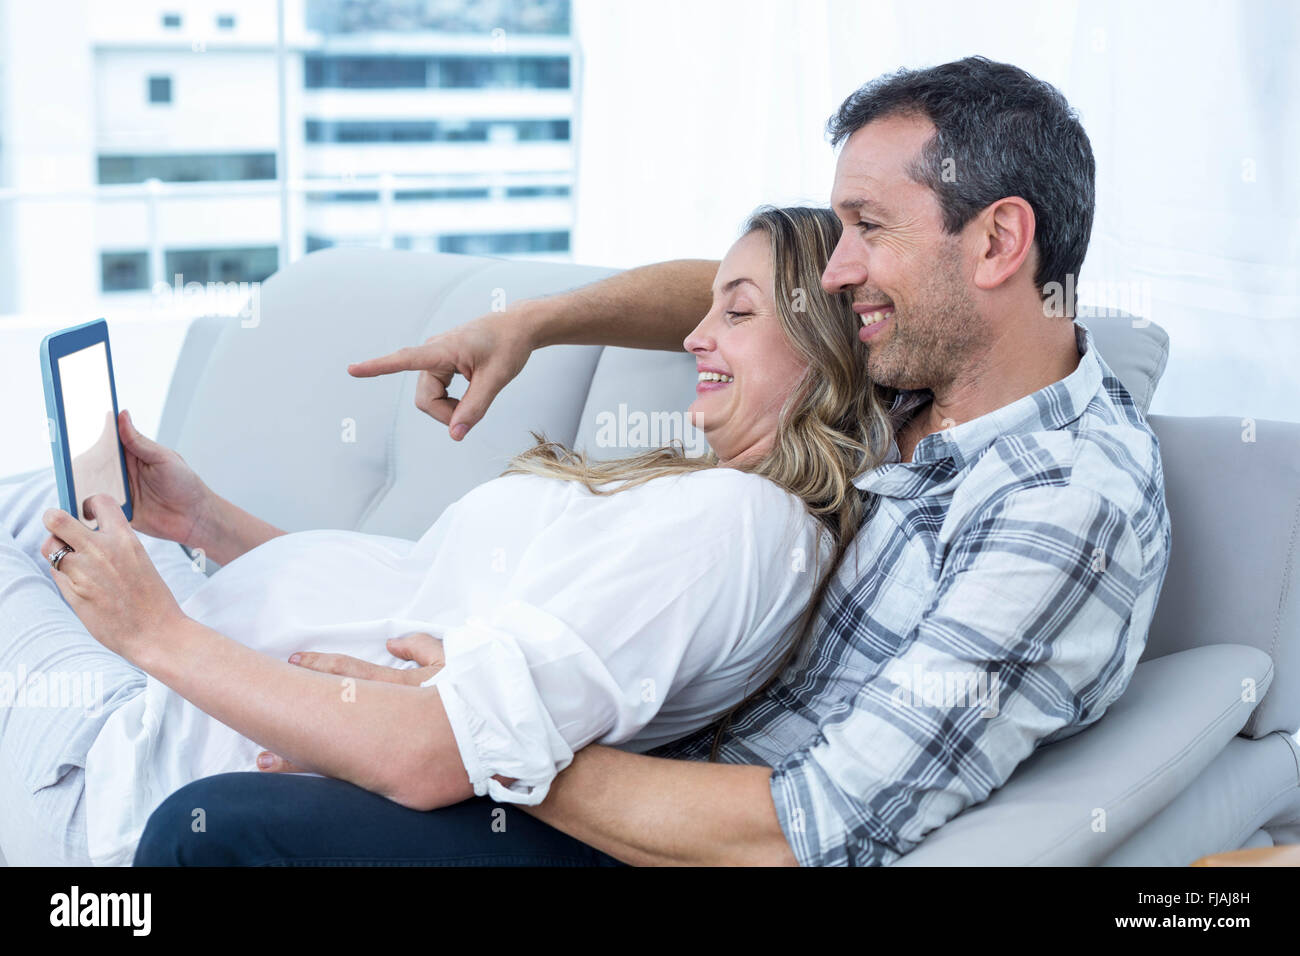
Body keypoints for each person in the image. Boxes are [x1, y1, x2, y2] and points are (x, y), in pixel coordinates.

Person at [132, 56, 1171, 867]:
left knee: (214, 827)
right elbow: (762, 294)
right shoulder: (925, 366)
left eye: (867, 229)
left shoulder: (1064, 505)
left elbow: (810, 826)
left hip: (668, 842)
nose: (841, 266)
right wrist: (534, 324)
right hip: (609, 756)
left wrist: (484, 739)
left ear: (996, 244)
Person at [0, 206, 892, 867]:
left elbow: (431, 752)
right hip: (192, 651)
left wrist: (155, 633)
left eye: (736, 314)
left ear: (827, 349)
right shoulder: (707, 492)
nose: (693, 336)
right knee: (47, 487)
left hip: (134, 750)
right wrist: (205, 523)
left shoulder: (737, 525)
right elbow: (410, 600)